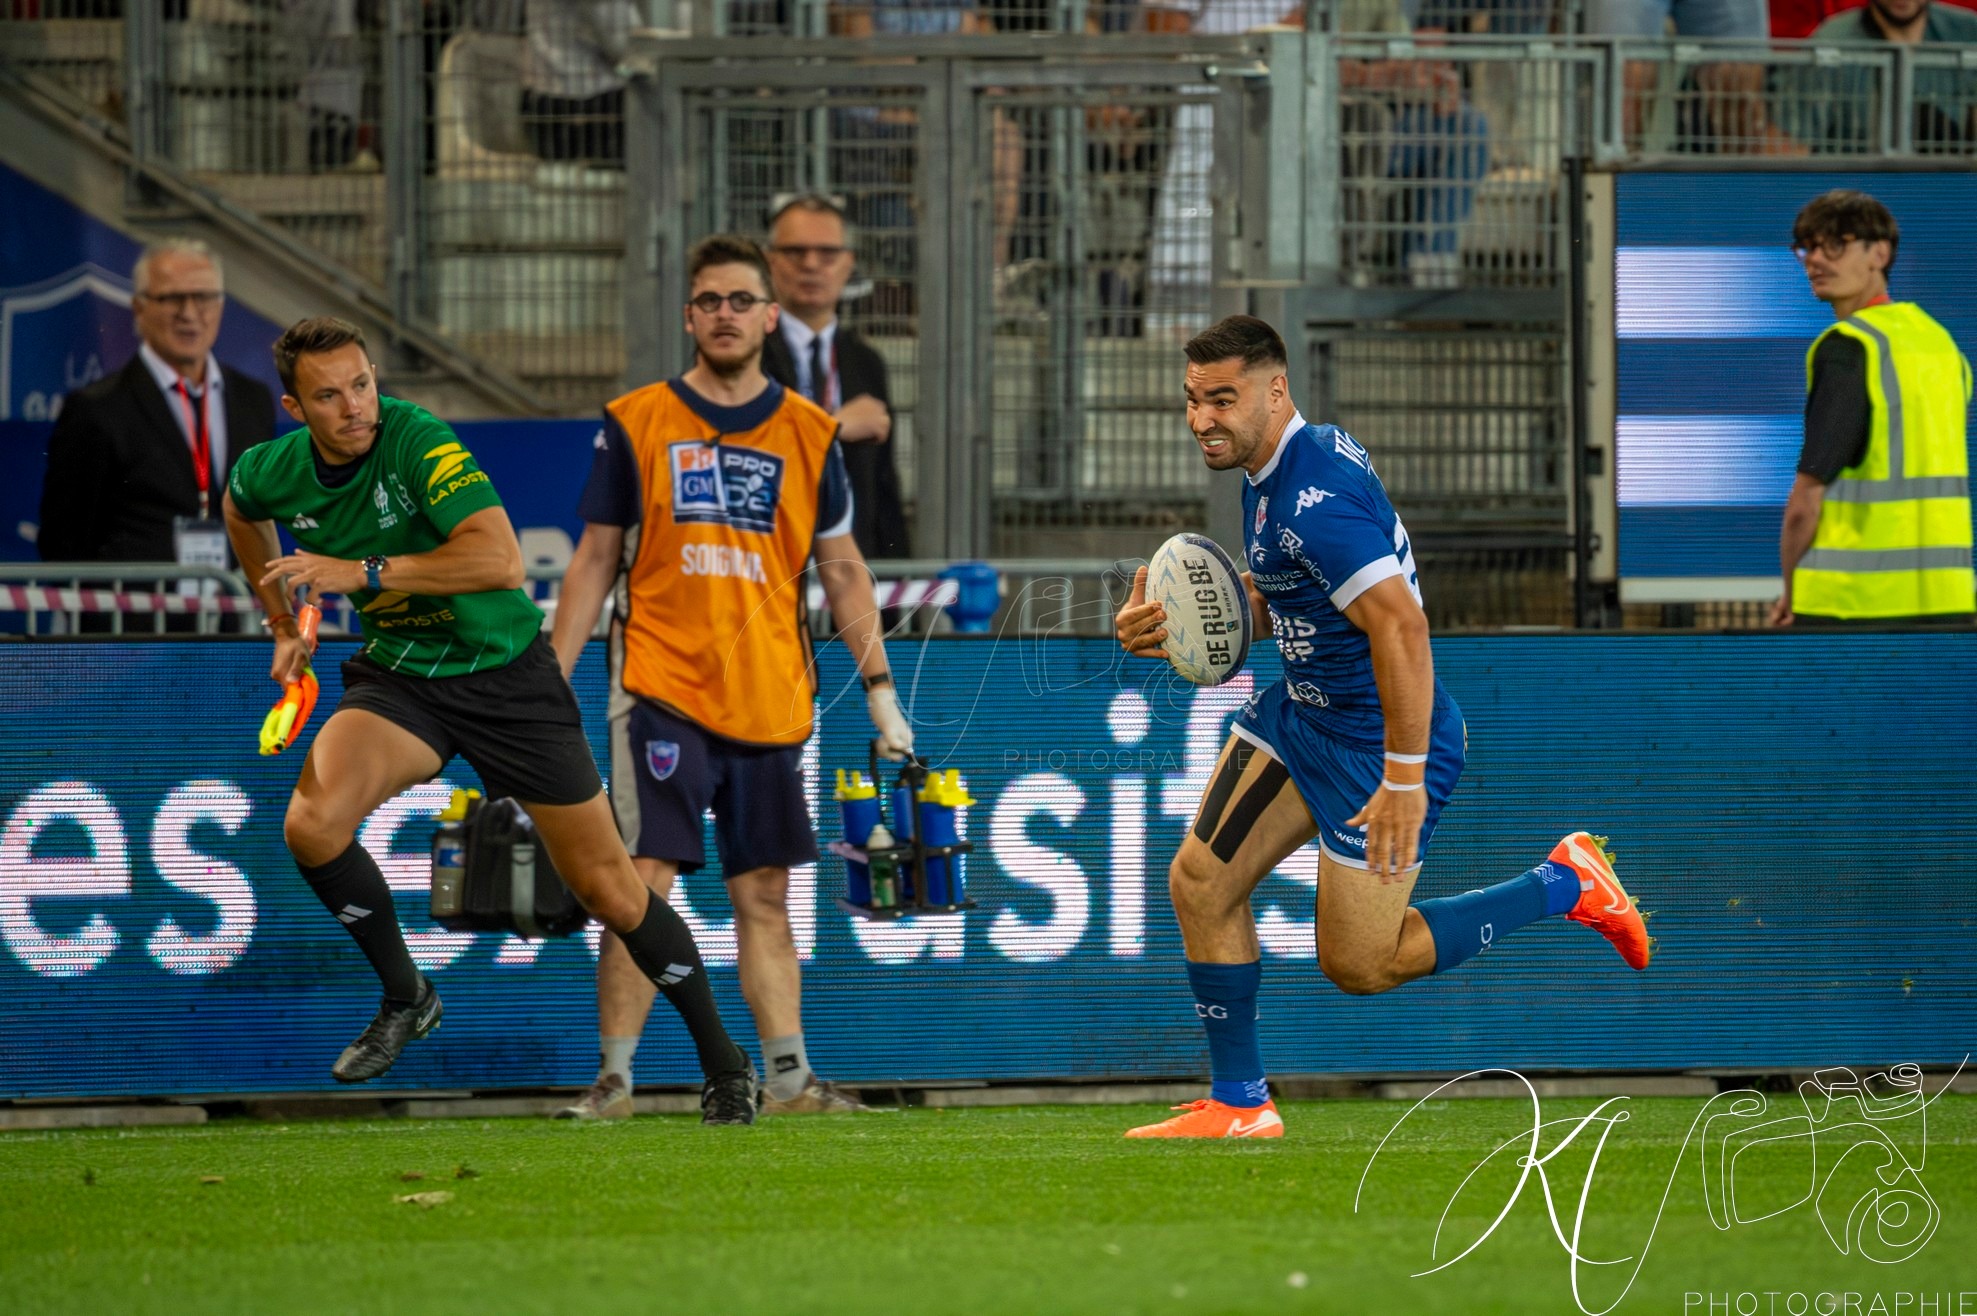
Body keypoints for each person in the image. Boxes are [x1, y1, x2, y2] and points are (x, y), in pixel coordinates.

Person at [1112, 316, 1651, 1139]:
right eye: (1191, 401)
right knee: (1199, 882)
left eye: (1222, 399)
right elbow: (1296, 590)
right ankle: (1240, 1105)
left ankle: (1566, 883)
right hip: (1304, 715)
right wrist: (1183, 623)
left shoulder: (1308, 497)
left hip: (1377, 745)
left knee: (1360, 965)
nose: (1202, 419)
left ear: (1274, 389)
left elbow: (1400, 627)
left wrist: (1401, 776)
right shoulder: (1284, 465)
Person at [222, 316, 758, 1124]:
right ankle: (407, 995)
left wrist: (356, 570)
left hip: (507, 682)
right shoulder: (272, 468)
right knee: (310, 825)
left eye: (362, 384)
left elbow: (501, 560)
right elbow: (239, 509)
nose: (354, 407)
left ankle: (725, 1063)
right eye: (329, 396)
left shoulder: (417, 442)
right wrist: (278, 622)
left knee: (611, 891)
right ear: (297, 408)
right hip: (402, 679)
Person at [548, 236, 915, 1120]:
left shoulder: (807, 430)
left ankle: (787, 1079)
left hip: (770, 699)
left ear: (767, 316)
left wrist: (881, 690)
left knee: (764, 891)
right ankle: (615, 1082)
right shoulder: (635, 419)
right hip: (659, 686)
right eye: (708, 299)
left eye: (739, 300)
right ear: (689, 316)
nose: (724, 314)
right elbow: (595, 559)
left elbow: (843, 570)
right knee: (643, 885)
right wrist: (547, 684)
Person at [1770, 191, 1974, 627]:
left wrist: (1791, 591)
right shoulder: (1941, 345)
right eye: (1808, 247)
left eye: (1836, 245)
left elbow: (1808, 497)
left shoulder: (1848, 347)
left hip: (1851, 606)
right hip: (1949, 602)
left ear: (1879, 253)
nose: (1816, 260)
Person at [39, 239, 276, 574]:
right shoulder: (96, 409)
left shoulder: (253, 400)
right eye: (172, 298)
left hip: (233, 621)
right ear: (139, 308)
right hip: (136, 621)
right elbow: (64, 544)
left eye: (204, 297)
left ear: (221, 305)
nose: (189, 313)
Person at [761, 194, 911, 562]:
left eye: (827, 253)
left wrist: (896, 602)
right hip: (768, 569)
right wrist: (835, 427)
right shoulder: (747, 354)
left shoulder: (866, 362)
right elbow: (751, 450)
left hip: (848, 574)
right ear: (770, 260)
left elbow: (883, 489)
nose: (811, 265)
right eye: (795, 252)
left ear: (849, 263)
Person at [1804, 0, 1977, 151]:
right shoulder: (1831, 40)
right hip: (1855, 180)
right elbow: (1793, 141)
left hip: (1950, 182)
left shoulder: (1968, 31)